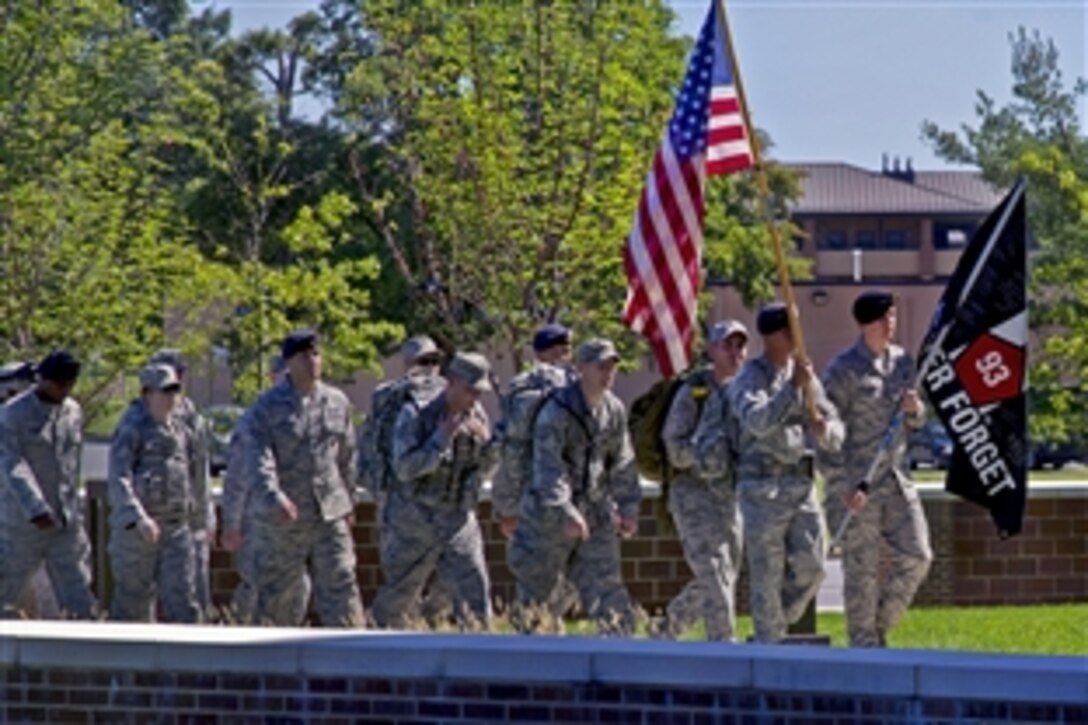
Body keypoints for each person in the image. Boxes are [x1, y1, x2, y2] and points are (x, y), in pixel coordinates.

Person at [821, 290, 933, 647]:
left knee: (918, 556)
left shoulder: (903, 363)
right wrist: (841, 486)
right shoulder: (843, 371)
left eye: (894, 317)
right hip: (858, 485)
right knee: (861, 574)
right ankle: (864, 647)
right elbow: (826, 435)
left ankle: (878, 627)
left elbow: (917, 422)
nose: (891, 324)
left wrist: (915, 410)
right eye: (884, 318)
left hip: (896, 477)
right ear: (866, 323)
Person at [508, 339, 640, 635]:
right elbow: (547, 469)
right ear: (581, 368)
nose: (608, 374)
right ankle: (530, 671)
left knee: (611, 598)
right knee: (537, 605)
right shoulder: (556, 412)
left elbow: (623, 461)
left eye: (612, 367)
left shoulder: (614, 409)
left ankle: (619, 667)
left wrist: (629, 508)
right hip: (546, 520)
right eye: (601, 366)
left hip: (596, 514)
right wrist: (564, 510)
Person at [730, 303, 844, 643]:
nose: (799, 337)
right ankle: (769, 643)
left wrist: (826, 431)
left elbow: (835, 424)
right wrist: (790, 388)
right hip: (763, 487)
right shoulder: (751, 377)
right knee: (766, 574)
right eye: (792, 329)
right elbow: (757, 421)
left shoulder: (804, 373)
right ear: (775, 335)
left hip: (800, 484)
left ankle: (777, 622)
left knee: (814, 566)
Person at [245, 330, 364, 627]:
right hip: (288, 518)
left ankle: (351, 663)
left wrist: (349, 501)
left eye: (316, 354)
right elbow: (258, 459)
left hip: (329, 514)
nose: (313, 361)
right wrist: (274, 497)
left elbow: (347, 456)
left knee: (342, 586)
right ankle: (272, 667)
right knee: (278, 595)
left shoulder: (337, 402)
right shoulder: (267, 407)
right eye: (304, 356)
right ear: (289, 362)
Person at [371, 352, 499, 629]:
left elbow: (482, 470)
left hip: (457, 517)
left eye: (480, 392)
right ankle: (380, 657)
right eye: (470, 390)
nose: (475, 398)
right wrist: (441, 438)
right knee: (399, 597)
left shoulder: (476, 415)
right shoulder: (416, 413)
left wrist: (488, 446)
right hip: (413, 519)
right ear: (451, 382)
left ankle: (481, 662)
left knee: (474, 594)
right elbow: (404, 467)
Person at [655, 320, 749, 641]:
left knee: (723, 574)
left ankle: (665, 631)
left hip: (730, 497)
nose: (735, 352)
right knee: (714, 573)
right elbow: (674, 445)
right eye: (727, 345)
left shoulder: (748, 392)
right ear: (711, 350)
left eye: (740, 345)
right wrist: (704, 456)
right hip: (693, 493)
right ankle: (725, 653)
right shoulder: (694, 391)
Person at [0, 351, 97, 619]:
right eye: (58, 384)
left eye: (68, 384)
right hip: (24, 523)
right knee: (6, 589)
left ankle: (84, 650)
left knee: (79, 594)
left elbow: (72, 464)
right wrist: (37, 508)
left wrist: (71, 509)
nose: (63, 390)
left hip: (64, 521)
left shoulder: (72, 412)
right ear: (42, 380)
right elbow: (12, 464)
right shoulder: (13, 415)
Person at [108, 363, 207, 622]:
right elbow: (119, 477)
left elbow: (194, 476)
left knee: (184, 602)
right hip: (139, 533)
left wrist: (199, 520)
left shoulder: (181, 428)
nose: (171, 397)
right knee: (133, 605)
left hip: (176, 529)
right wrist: (138, 517)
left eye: (175, 390)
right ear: (147, 393)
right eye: (165, 391)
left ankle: (186, 661)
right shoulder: (133, 427)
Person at [220, 354, 312, 623]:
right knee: (255, 587)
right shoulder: (255, 419)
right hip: (257, 525)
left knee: (297, 588)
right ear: (272, 378)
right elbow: (237, 478)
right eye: (282, 376)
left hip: (294, 525)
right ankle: (243, 639)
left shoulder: (304, 418)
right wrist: (232, 524)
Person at [148, 348, 213, 617]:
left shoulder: (191, 417)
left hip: (189, 518)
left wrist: (206, 515)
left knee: (194, 590)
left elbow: (201, 469)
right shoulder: (142, 415)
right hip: (150, 520)